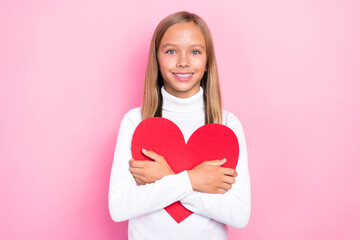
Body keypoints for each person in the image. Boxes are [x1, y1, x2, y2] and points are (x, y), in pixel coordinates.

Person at [108, 11, 251, 240]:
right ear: (157, 59)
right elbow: (119, 207)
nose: (183, 61)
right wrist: (193, 179)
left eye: (195, 51)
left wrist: (166, 177)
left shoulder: (227, 125)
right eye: (171, 51)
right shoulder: (135, 121)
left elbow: (238, 214)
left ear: (207, 62)